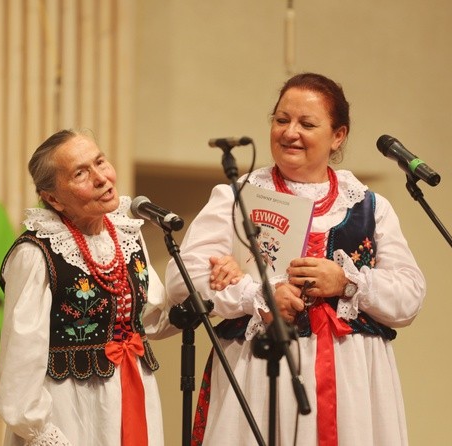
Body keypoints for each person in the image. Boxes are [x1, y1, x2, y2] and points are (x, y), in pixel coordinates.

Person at [164, 73, 426, 445]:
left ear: (338, 135)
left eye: (307, 123)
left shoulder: (369, 206)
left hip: (352, 381)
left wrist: (348, 282)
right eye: (282, 120)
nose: (290, 132)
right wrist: (257, 294)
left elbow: (410, 296)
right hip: (261, 368)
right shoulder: (237, 198)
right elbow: (180, 279)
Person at [0, 129, 177, 446]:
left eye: (100, 162)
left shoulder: (126, 235)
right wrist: (46, 434)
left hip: (132, 395)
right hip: (70, 409)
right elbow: (20, 365)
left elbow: (148, 317)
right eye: (81, 173)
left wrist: (208, 291)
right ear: (52, 198)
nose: (101, 178)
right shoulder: (36, 254)